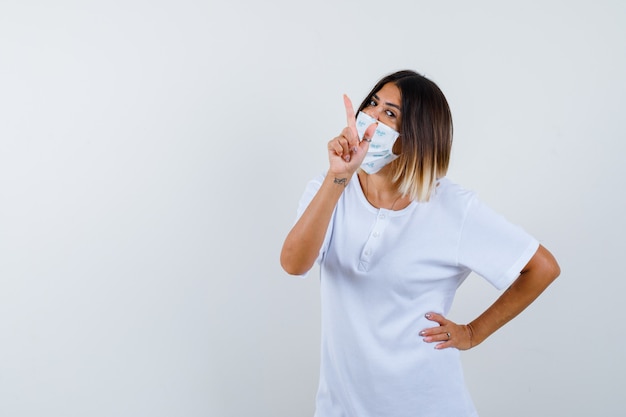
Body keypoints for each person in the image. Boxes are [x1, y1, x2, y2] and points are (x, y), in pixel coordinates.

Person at [280, 70, 560, 417]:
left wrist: (473, 332)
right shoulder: (331, 187)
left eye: (390, 113)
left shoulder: (453, 208)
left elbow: (541, 267)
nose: (371, 116)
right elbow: (294, 264)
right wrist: (338, 177)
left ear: (417, 136)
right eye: (371, 103)